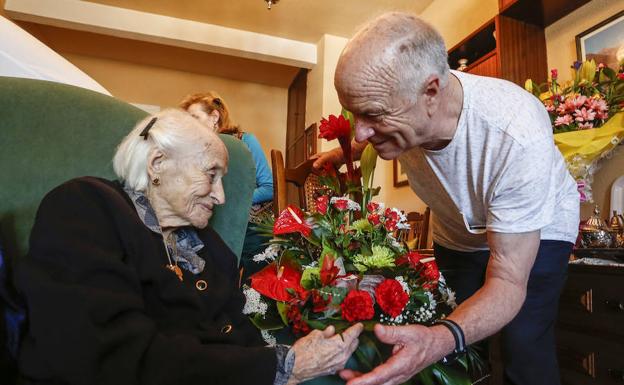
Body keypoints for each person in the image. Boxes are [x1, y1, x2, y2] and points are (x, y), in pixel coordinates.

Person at [313, 13, 579, 385]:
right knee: (464, 347)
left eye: (372, 114)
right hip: (457, 232)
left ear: (431, 92)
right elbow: (365, 131)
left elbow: (507, 282)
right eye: (354, 113)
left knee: (523, 341)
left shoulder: (515, 132)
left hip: (540, 229)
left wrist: (440, 339)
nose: (360, 130)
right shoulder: (402, 110)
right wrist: (343, 154)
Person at [13, 109, 362, 385]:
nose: (221, 196)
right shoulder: (86, 207)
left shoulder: (211, 250)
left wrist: (289, 361)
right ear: (158, 165)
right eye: (211, 174)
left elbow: (239, 338)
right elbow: (113, 356)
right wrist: (281, 367)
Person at [180, 92, 273, 279]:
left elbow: (269, 187)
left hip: (250, 227)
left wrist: (232, 201)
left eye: (194, 118)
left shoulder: (245, 141)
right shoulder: (193, 150)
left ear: (214, 116)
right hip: (208, 226)